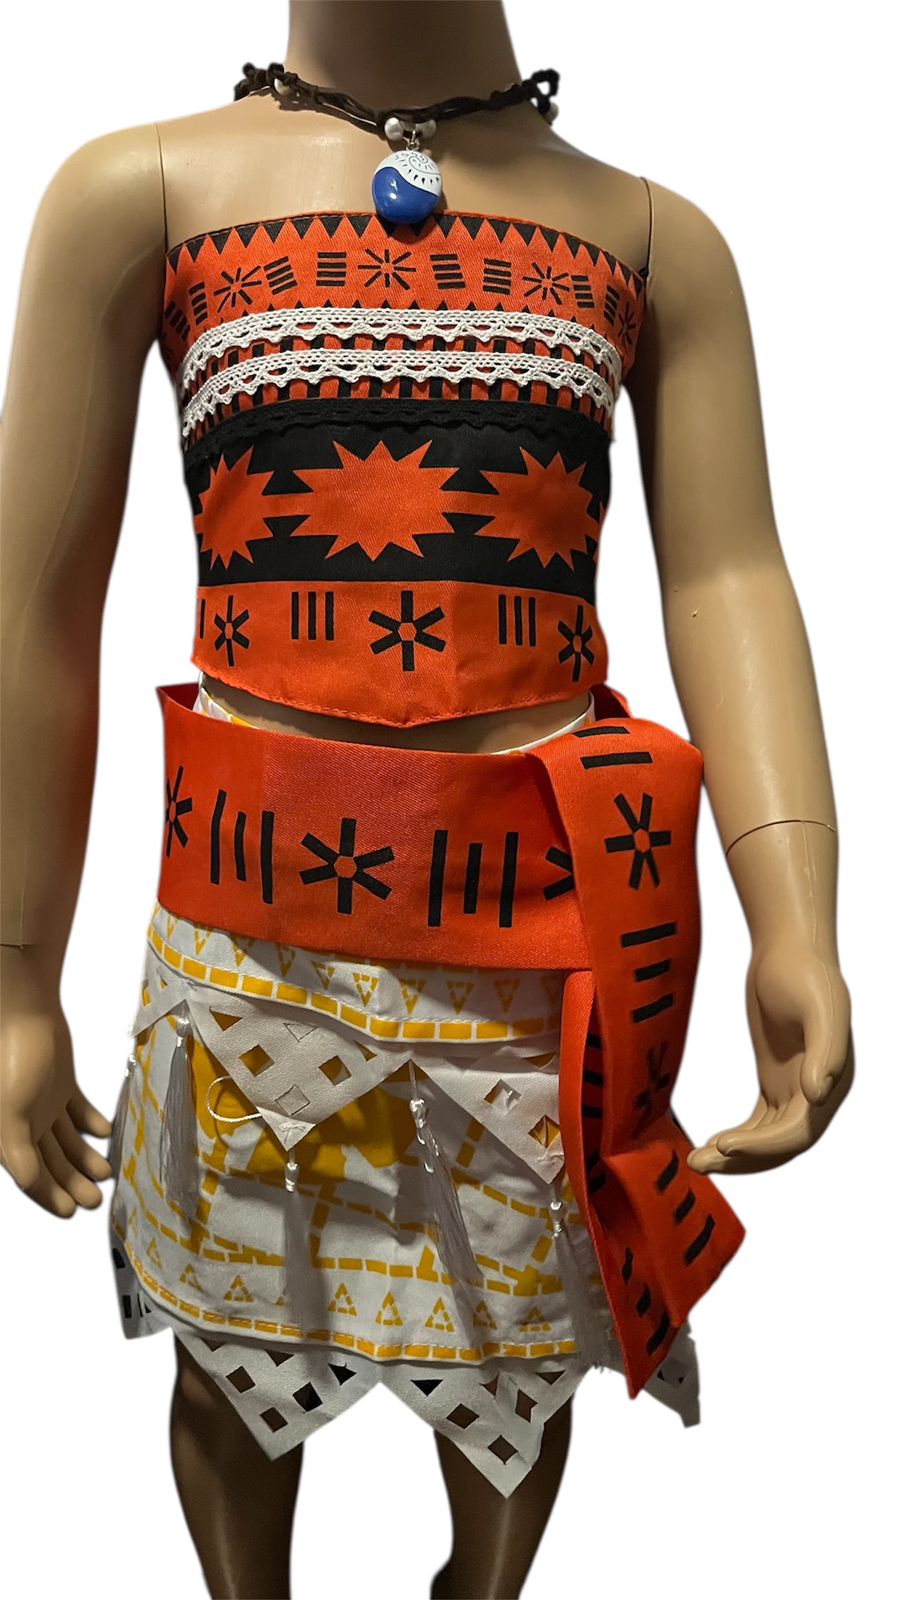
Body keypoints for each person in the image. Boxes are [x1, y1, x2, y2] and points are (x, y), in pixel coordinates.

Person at [0, 4, 852, 1597]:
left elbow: (732, 576)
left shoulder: (651, 239)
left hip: (545, 966)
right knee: (227, 1371)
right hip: (250, 958)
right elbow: (32, 608)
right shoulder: (144, 193)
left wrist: (796, 919)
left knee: (521, 1369)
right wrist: (11, 973)